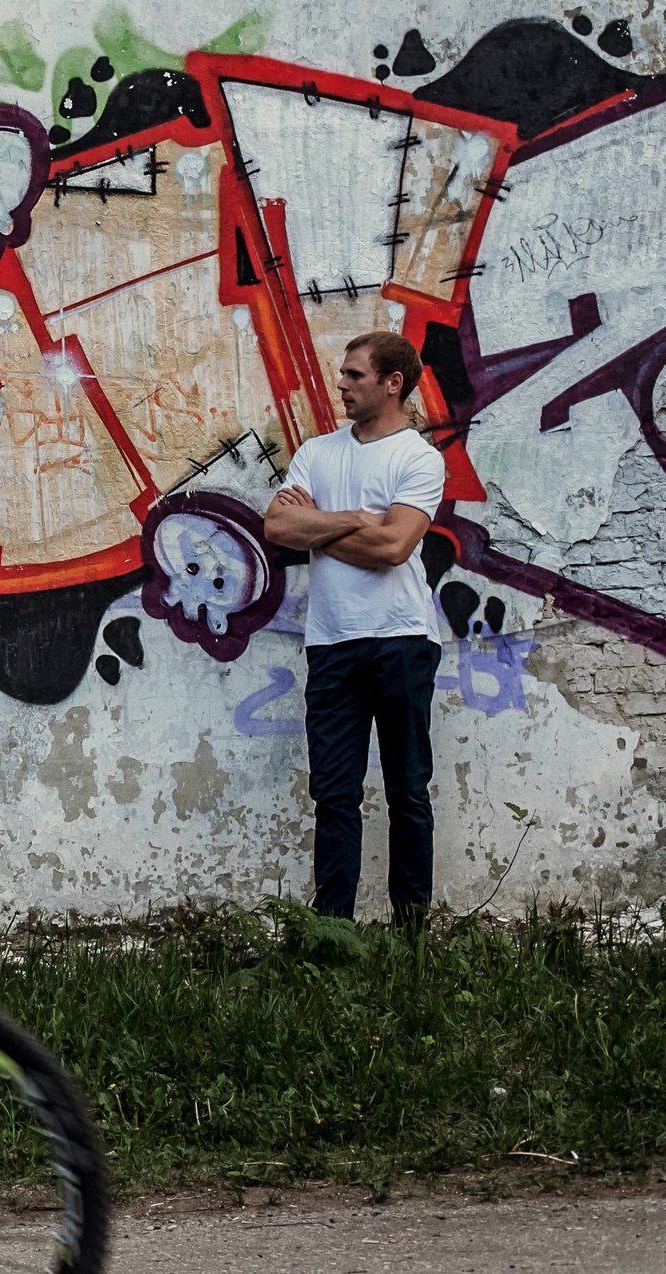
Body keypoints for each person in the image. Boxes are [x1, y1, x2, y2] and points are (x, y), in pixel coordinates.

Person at [263, 332, 447, 926]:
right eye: (342, 374)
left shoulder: (418, 457)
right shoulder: (317, 453)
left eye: (355, 375)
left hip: (401, 638)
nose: (340, 384)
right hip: (332, 642)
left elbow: (395, 546)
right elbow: (278, 530)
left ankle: (412, 931)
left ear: (393, 383)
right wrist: (352, 519)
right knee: (334, 794)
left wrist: (316, 523)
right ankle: (332, 931)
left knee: (407, 793)